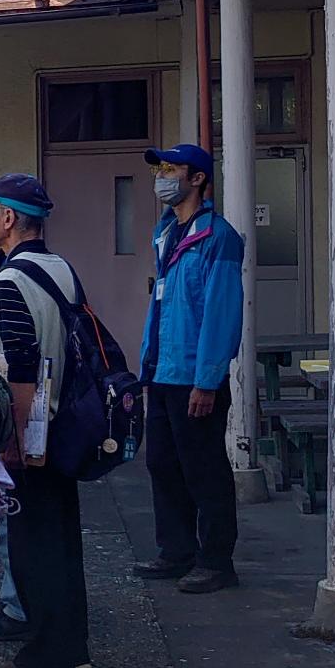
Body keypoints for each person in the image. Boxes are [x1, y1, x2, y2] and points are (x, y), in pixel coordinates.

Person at [0, 175, 92, 668]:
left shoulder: (12, 279)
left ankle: (47, 658)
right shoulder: (60, 267)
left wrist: (15, 442)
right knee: (61, 541)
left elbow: (20, 366)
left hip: (33, 432)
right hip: (65, 425)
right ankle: (71, 650)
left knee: (34, 548)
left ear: (9, 218)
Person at [136, 143, 246, 594]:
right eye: (159, 169)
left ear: (197, 178)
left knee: (204, 470)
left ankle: (216, 561)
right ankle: (176, 551)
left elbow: (221, 313)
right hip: (163, 372)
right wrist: (147, 365)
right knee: (162, 464)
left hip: (194, 377)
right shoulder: (167, 232)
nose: (162, 177)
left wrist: (208, 380)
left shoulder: (218, 237)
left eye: (171, 169)